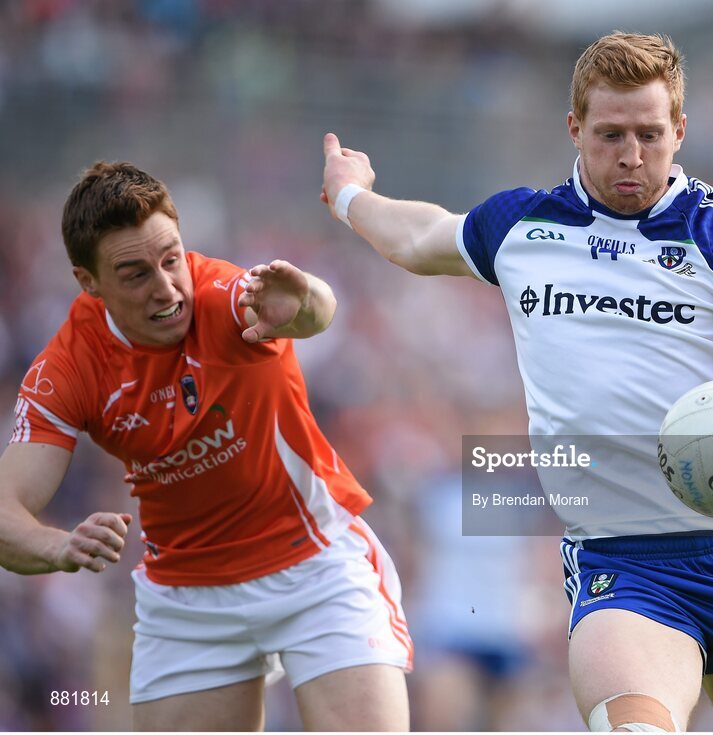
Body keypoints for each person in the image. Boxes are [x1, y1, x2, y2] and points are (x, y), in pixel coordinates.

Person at [319, 32, 713, 731]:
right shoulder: (524, 226)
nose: (632, 155)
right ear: (575, 129)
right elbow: (420, 236)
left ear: (680, 130)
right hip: (627, 566)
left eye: (650, 134)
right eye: (611, 134)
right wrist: (350, 197)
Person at [0, 162, 412, 731]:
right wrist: (59, 546)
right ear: (87, 281)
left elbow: (315, 310)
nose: (167, 288)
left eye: (171, 258)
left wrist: (308, 299)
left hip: (316, 569)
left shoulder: (226, 296)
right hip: (188, 605)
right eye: (134, 273)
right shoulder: (66, 369)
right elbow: (4, 514)